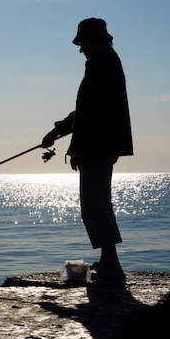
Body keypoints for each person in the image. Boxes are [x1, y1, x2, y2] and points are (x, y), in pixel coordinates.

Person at [41, 18, 133, 283]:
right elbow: (86, 111)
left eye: (83, 43)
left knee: (93, 205)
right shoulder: (106, 61)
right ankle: (108, 261)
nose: (81, 50)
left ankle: (112, 267)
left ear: (95, 41)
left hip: (97, 146)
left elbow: (91, 113)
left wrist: (76, 145)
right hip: (104, 145)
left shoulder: (102, 63)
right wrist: (58, 131)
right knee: (101, 203)